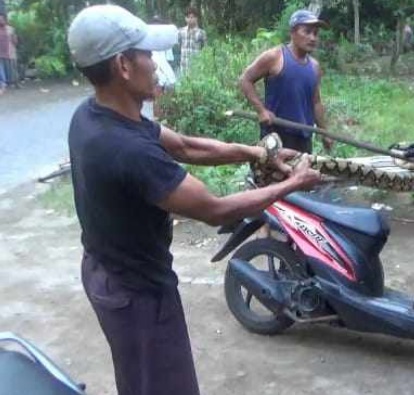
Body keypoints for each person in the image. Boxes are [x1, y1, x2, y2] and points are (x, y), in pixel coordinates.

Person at [66, 5, 321, 395]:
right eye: (148, 54)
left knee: (139, 379)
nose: (156, 65)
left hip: (106, 270)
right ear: (123, 66)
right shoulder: (128, 151)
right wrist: (292, 184)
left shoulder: (93, 114)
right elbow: (215, 209)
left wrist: (258, 153)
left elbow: (185, 145)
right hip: (139, 292)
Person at [240, 9, 332, 154]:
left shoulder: (314, 66)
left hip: (304, 136)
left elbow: (316, 102)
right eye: (307, 31)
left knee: (302, 175)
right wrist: (261, 111)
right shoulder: (275, 57)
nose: (313, 38)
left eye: (315, 33)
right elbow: (245, 80)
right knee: (272, 175)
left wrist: (324, 132)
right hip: (276, 136)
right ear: (293, 32)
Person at [177, 7, 206, 74]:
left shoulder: (202, 33)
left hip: (196, 66)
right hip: (184, 65)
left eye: (192, 17)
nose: (190, 19)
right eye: (188, 17)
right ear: (185, 18)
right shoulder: (181, 31)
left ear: (196, 18)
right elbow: (178, 45)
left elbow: (205, 49)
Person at [0, 13, 17, 94]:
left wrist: (14, 40)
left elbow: (15, 40)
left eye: (1, 19)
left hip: (10, 50)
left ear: (5, 20)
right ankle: (3, 84)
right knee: (1, 68)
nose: (0, 21)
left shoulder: (10, 29)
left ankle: (16, 82)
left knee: (13, 68)